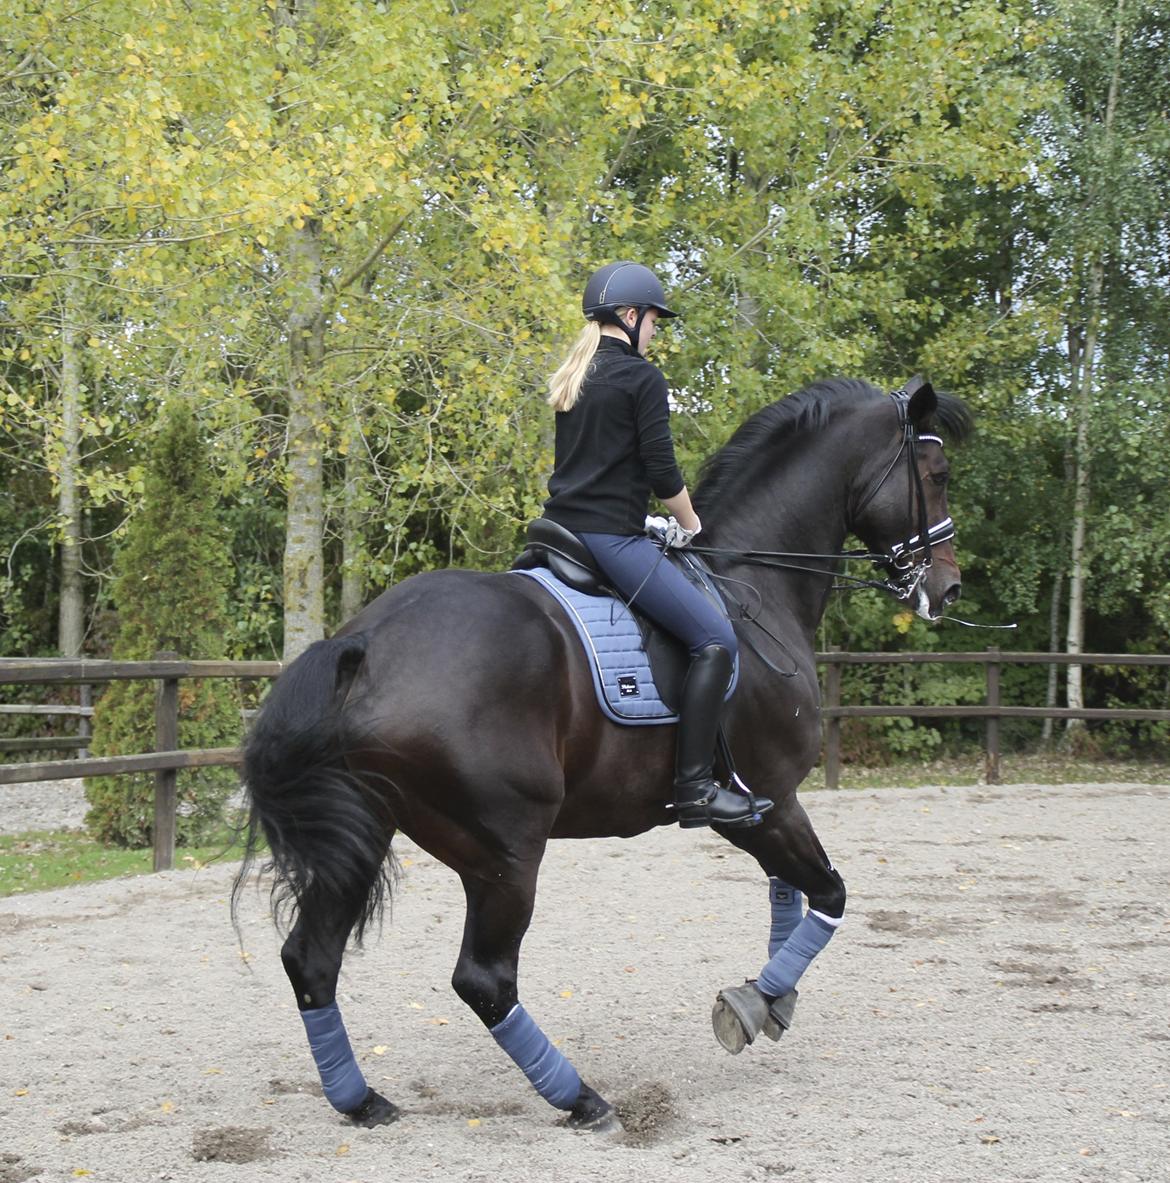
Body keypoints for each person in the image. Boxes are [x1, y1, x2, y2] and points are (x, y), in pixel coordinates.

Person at [541, 261, 773, 830]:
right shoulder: (641, 379)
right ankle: (694, 788)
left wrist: (644, 521)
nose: (655, 331)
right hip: (609, 542)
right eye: (654, 321)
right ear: (630, 316)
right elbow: (662, 472)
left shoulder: (579, 375)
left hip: (562, 530)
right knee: (717, 640)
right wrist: (691, 525)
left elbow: (599, 474)